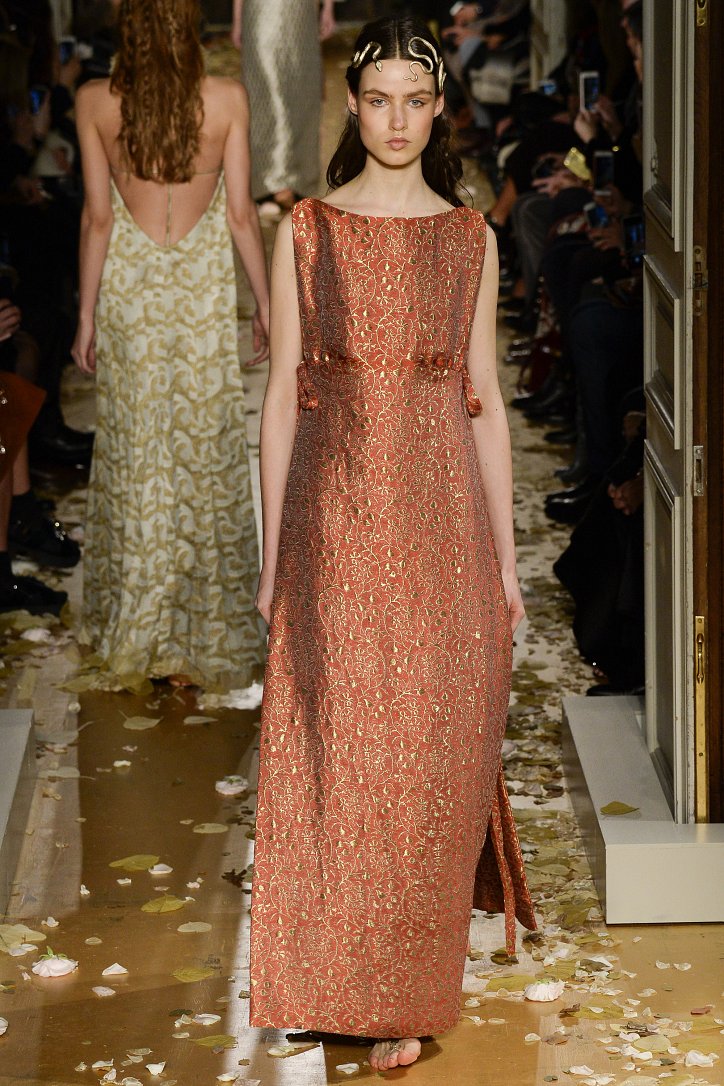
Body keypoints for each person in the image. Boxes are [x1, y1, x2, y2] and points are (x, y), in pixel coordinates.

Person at [249, 16, 535, 1071]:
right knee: (341, 753)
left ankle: (405, 995)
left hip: (442, 524)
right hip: (330, 527)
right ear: (353, 106)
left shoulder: (469, 239)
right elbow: (280, 400)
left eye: (416, 100)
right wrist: (273, 557)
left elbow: (486, 405)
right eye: (379, 100)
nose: (397, 120)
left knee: (427, 759)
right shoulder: (308, 231)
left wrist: (505, 560)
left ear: (440, 108)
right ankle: (340, 980)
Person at [71, 0, 269, 693]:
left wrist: (86, 315)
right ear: (190, 24)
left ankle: (139, 623)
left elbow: (99, 218)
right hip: (199, 293)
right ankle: (201, 632)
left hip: (130, 290)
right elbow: (240, 214)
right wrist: (266, 305)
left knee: (137, 451)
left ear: (127, 24)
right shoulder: (226, 98)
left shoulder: (94, 101)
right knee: (204, 446)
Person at [231, 0, 335, 214]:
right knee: (263, 87)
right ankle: (267, 184)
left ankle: (298, 181)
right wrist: (238, 17)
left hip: (301, 10)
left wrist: (328, 7)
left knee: (301, 85)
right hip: (259, 8)